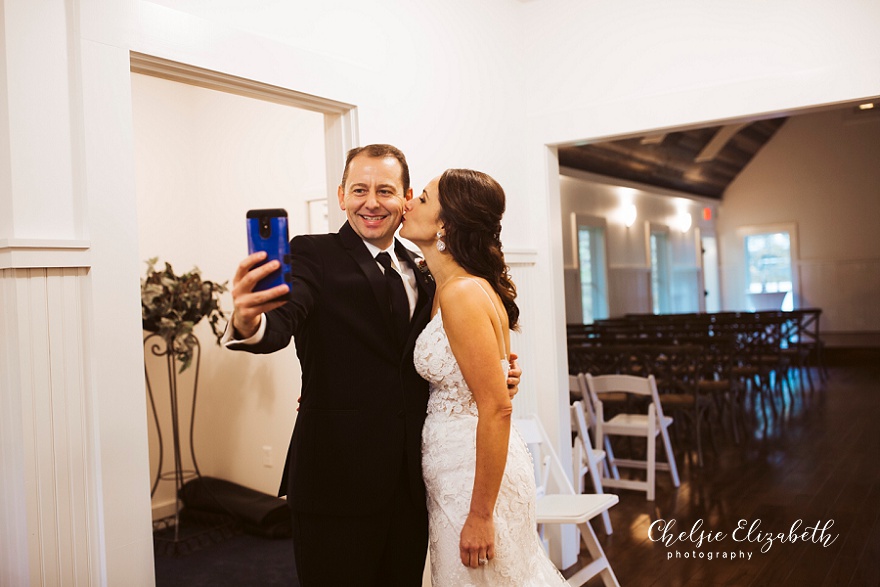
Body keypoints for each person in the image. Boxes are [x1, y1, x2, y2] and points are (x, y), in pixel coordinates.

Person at [223, 144, 520, 586]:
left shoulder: (427, 273)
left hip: (413, 485)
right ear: (341, 196)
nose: (371, 202)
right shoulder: (311, 255)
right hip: (334, 485)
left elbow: (439, 361)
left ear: (405, 199)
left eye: (385, 190)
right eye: (359, 190)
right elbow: (284, 320)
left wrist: (497, 376)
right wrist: (250, 322)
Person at [399, 168, 566, 586]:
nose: (407, 203)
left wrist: (479, 514)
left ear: (446, 224)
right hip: (454, 470)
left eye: (421, 198)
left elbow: (496, 406)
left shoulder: (462, 293)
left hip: (473, 477)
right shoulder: (444, 285)